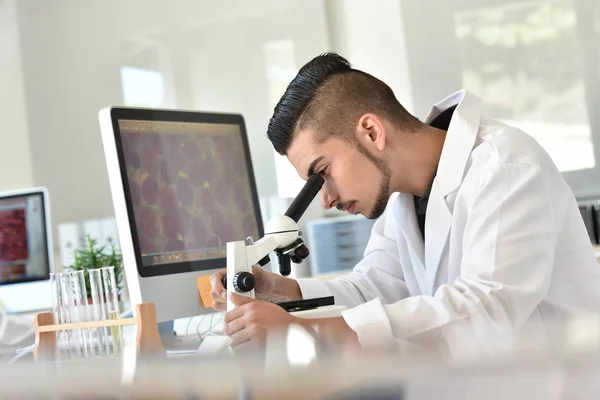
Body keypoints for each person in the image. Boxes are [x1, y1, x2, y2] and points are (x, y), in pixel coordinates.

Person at [210, 53, 600, 358]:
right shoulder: (406, 198)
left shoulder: (506, 166)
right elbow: (373, 288)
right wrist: (282, 291)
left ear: (371, 131)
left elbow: (486, 310)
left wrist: (308, 330)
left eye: (323, 172)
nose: (325, 198)